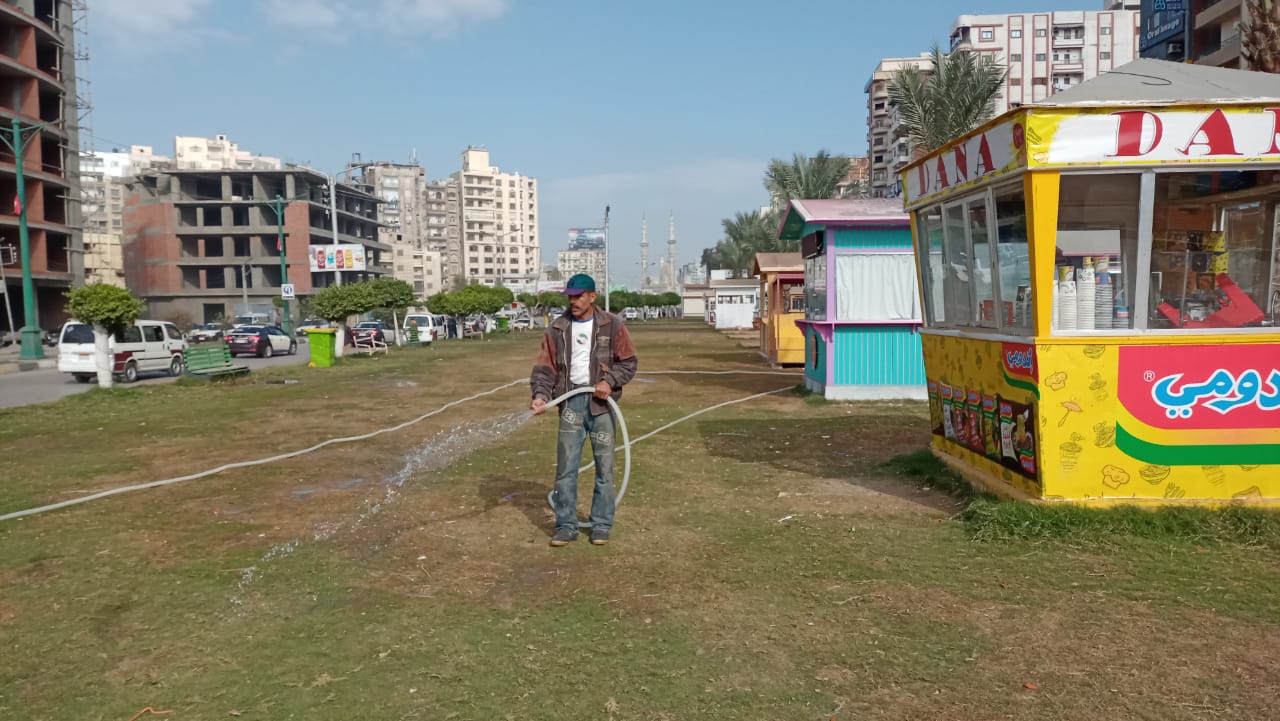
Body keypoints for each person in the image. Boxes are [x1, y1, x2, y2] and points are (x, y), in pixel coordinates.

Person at [530, 273, 637, 547]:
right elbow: (544, 368)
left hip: (601, 406)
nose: (573, 301)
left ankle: (601, 524)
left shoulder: (613, 326)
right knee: (566, 469)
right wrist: (541, 396)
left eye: (579, 296)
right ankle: (566, 525)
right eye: (570, 296)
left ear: (592, 296)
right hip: (570, 405)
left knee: (605, 468)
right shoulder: (558, 328)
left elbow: (628, 362)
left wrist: (609, 381)